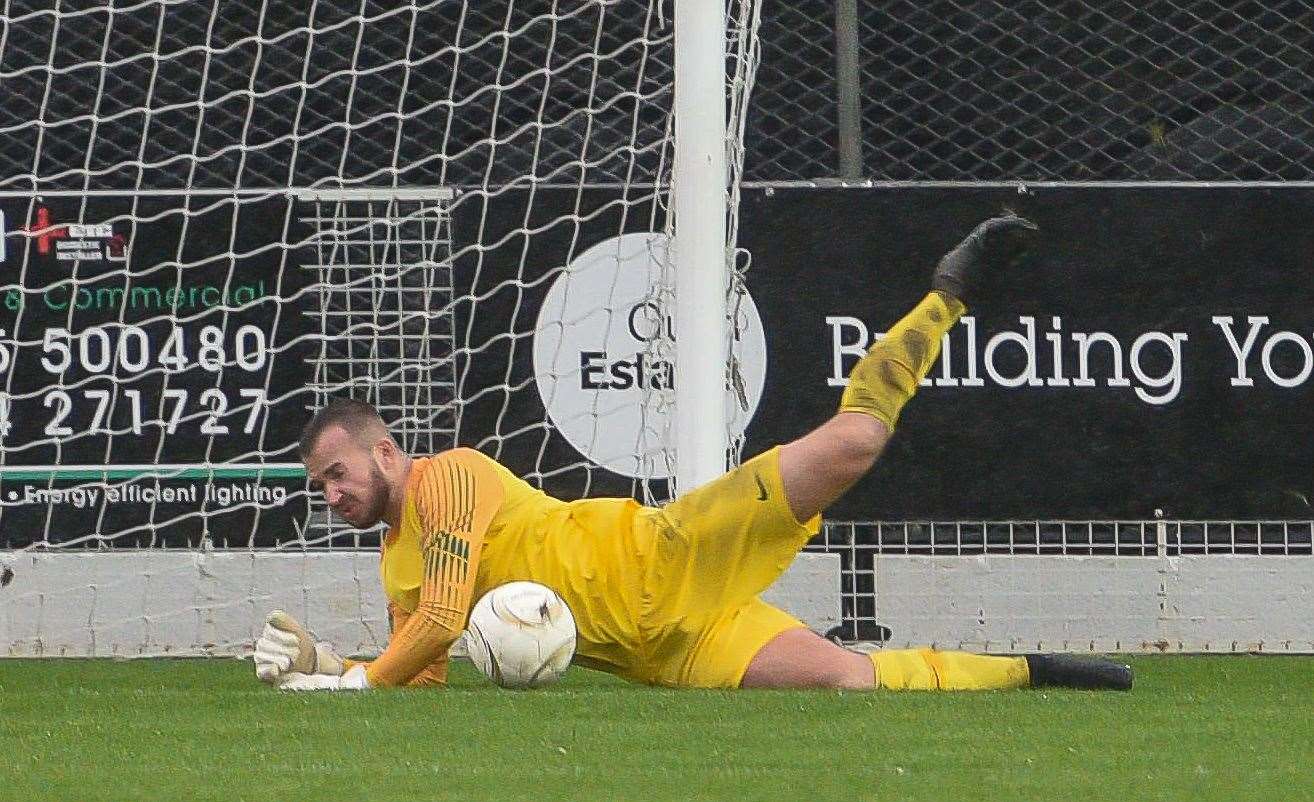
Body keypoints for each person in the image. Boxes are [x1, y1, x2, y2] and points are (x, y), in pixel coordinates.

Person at [255, 214, 1132, 693]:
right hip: (663, 654)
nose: (329, 493)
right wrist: (323, 666)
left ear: (388, 454)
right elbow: (426, 668)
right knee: (847, 683)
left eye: (337, 473)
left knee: (858, 439)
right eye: (319, 485)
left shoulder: (446, 480)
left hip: (670, 550)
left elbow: (443, 621)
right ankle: (1036, 671)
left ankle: (948, 294)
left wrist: (352, 684)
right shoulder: (394, 561)